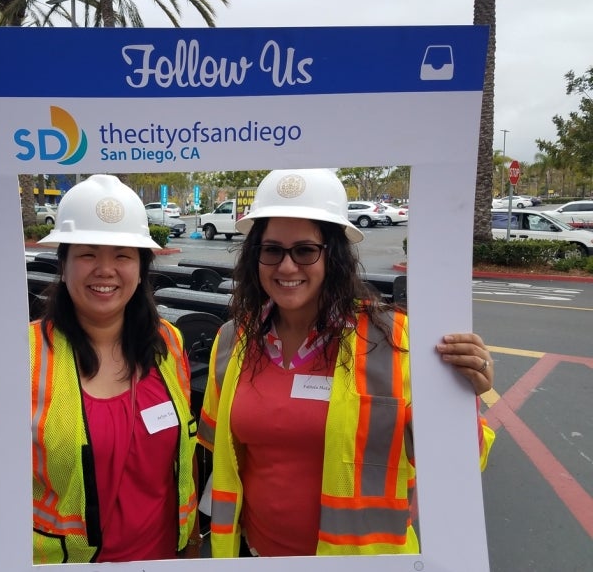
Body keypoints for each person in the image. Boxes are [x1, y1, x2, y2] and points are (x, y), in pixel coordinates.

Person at [197, 168, 496, 558]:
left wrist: (463, 395)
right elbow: (220, 455)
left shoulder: (396, 341)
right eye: (271, 250)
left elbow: (460, 461)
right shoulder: (232, 341)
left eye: (305, 250)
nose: (286, 267)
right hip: (256, 556)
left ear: (334, 255)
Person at [0, 175, 199, 564]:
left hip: (163, 557)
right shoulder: (19, 355)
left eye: (122, 255)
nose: (105, 269)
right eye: (88, 254)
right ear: (63, 265)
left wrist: (193, 545)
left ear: (142, 268)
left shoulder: (168, 342)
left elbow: (184, 458)